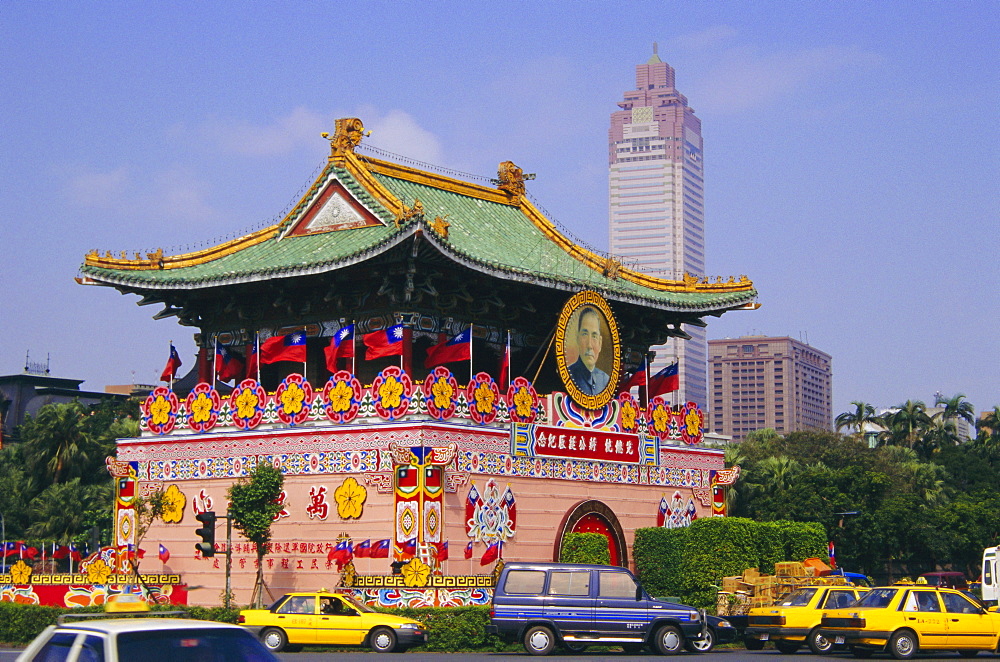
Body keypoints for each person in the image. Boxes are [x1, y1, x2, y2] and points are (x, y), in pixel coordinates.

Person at [567, 306, 610, 395]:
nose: (590, 345)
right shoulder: (568, 375)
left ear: (600, 343)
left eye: (594, 336)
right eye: (585, 334)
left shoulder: (605, 380)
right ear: (577, 338)